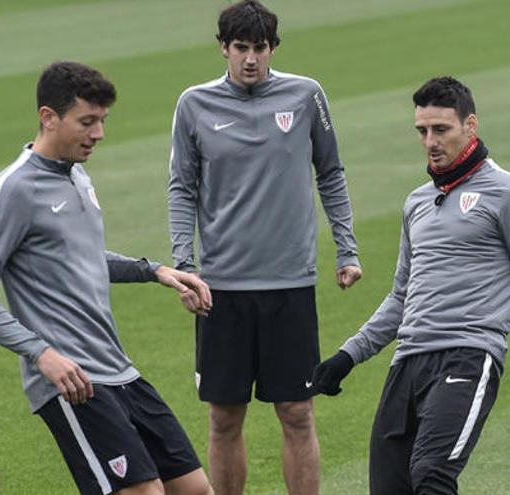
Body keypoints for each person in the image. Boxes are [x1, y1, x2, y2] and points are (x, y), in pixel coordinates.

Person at [313, 76, 510, 494]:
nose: (430, 141)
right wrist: (347, 357)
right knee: (390, 488)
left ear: (470, 126)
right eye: (422, 131)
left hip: (467, 358)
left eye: (441, 129)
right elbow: (402, 296)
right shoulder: (417, 203)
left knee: (431, 474)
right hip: (406, 364)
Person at [0, 61, 213, 495]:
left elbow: (82, 257)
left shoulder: (77, 174)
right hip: (74, 381)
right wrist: (41, 354)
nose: (99, 134)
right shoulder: (15, 189)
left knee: (194, 490)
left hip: (120, 371)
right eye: (87, 122)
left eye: (102, 121)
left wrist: (154, 270)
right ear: (48, 117)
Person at [167, 1, 362, 493]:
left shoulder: (305, 96)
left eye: (259, 48)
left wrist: (347, 248)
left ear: (273, 48)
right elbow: (181, 188)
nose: (250, 59)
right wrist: (184, 265)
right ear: (223, 48)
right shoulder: (194, 104)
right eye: (240, 48)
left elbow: (331, 172)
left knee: (297, 412)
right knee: (224, 418)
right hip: (221, 290)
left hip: (290, 286)